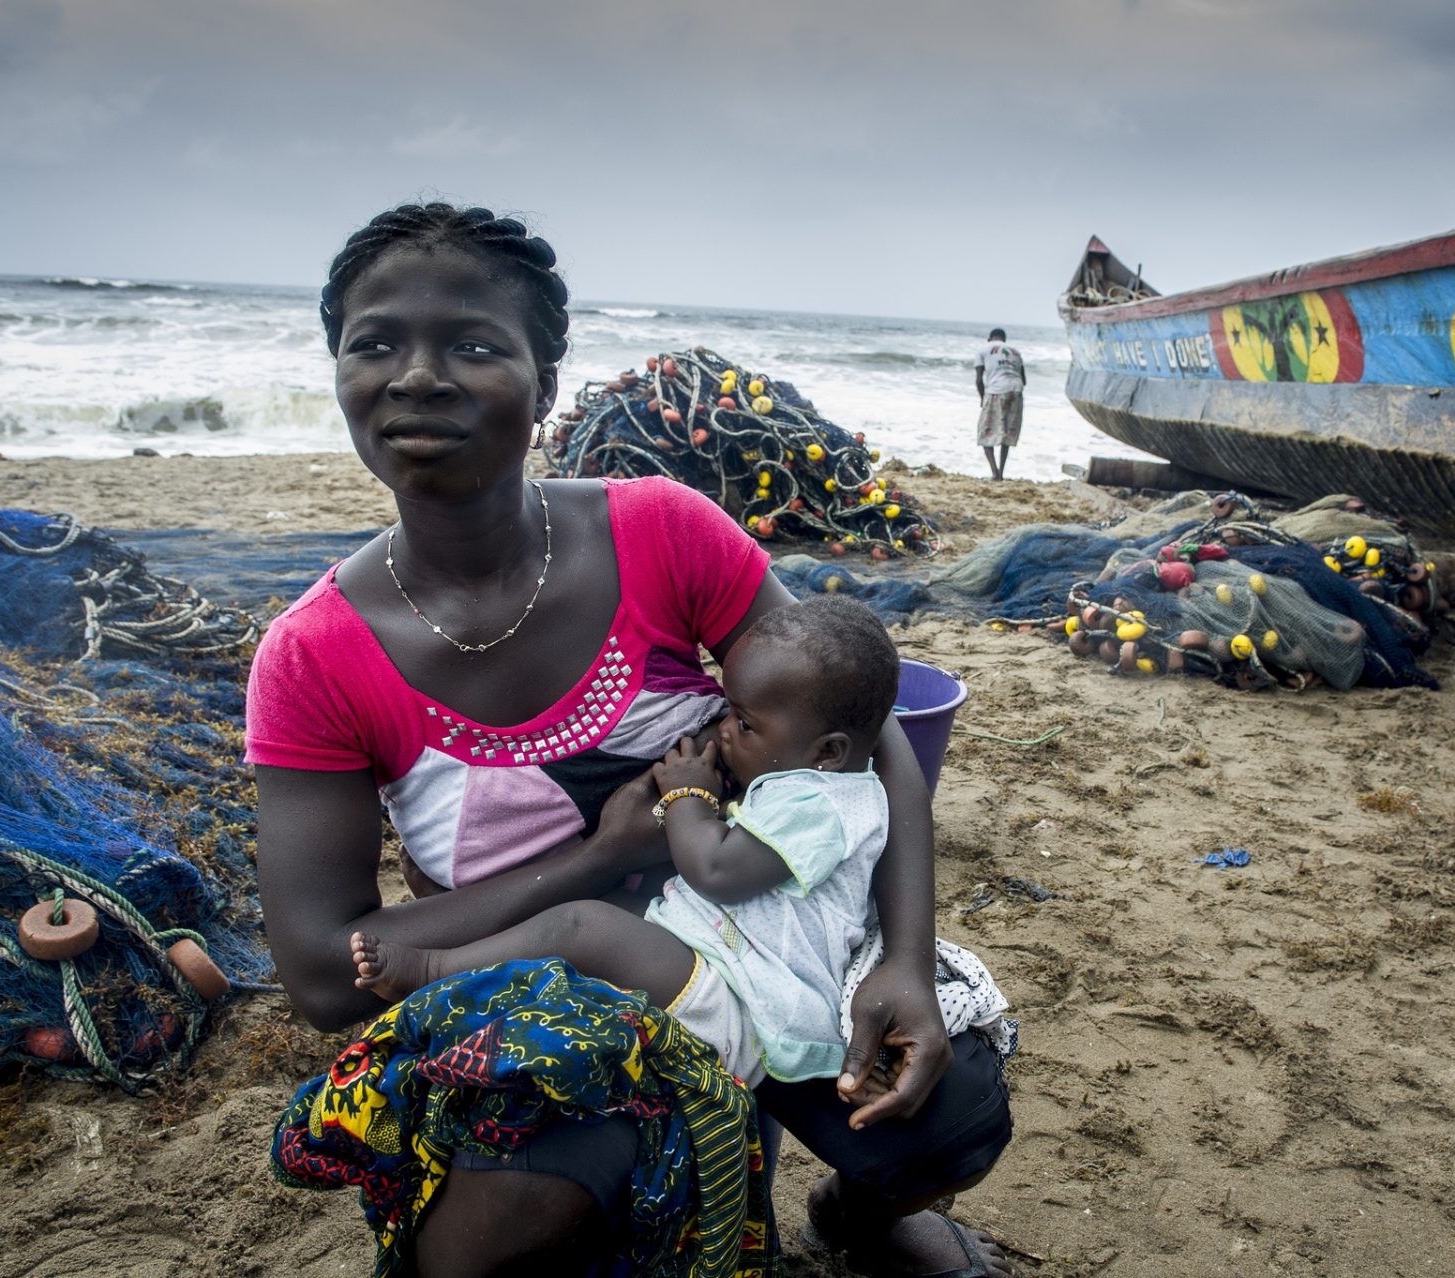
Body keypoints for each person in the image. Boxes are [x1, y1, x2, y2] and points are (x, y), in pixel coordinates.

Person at [247, 202, 1013, 1278]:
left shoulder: (660, 532)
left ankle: (860, 1216)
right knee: (487, 1246)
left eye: (472, 344)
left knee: (953, 1112)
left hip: (747, 959)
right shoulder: (316, 657)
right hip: (541, 1002)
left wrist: (901, 961)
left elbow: (868, 732)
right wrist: (601, 858)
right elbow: (329, 978)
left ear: (545, 385)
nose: (416, 376)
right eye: (375, 344)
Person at [349, 596, 994, 1104]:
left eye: (743, 723)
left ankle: (433, 973)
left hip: (742, 1002)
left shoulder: (825, 807)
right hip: (722, 967)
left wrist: (688, 797)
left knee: (583, 927)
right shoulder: (809, 781)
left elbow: (716, 871)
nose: (724, 729)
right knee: (579, 936)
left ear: (828, 751)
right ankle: (460, 963)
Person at [973, 328, 1026, 480]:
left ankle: (995, 473)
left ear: (989, 338)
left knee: (985, 432)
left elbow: (978, 379)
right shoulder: (1015, 352)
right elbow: (1024, 380)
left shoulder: (983, 350)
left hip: (996, 390)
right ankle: (1001, 472)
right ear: (1004, 340)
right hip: (1016, 391)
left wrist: (983, 399)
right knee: (1007, 434)